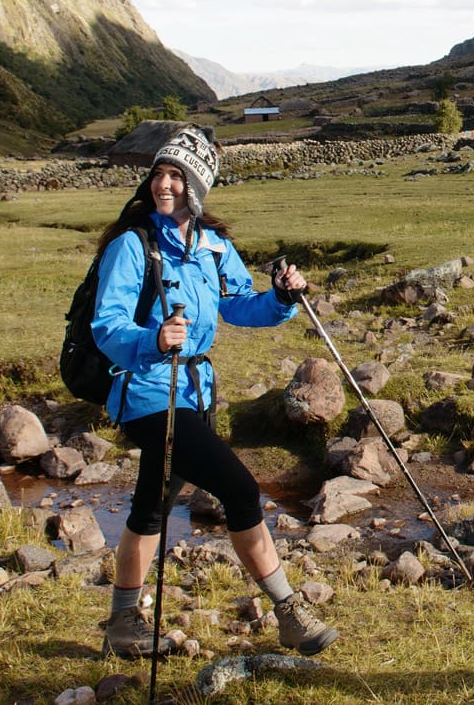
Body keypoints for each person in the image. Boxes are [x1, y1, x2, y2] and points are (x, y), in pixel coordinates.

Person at [91, 126, 338, 659]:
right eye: (160, 173)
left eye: (177, 176)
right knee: (242, 491)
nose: (164, 185)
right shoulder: (132, 246)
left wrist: (278, 297)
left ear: (198, 186)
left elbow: (239, 305)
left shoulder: (211, 246)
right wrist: (153, 337)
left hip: (194, 393)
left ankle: (121, 621)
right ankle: (289, 611)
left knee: (151, 509)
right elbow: (106, 327)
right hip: (149, 394)